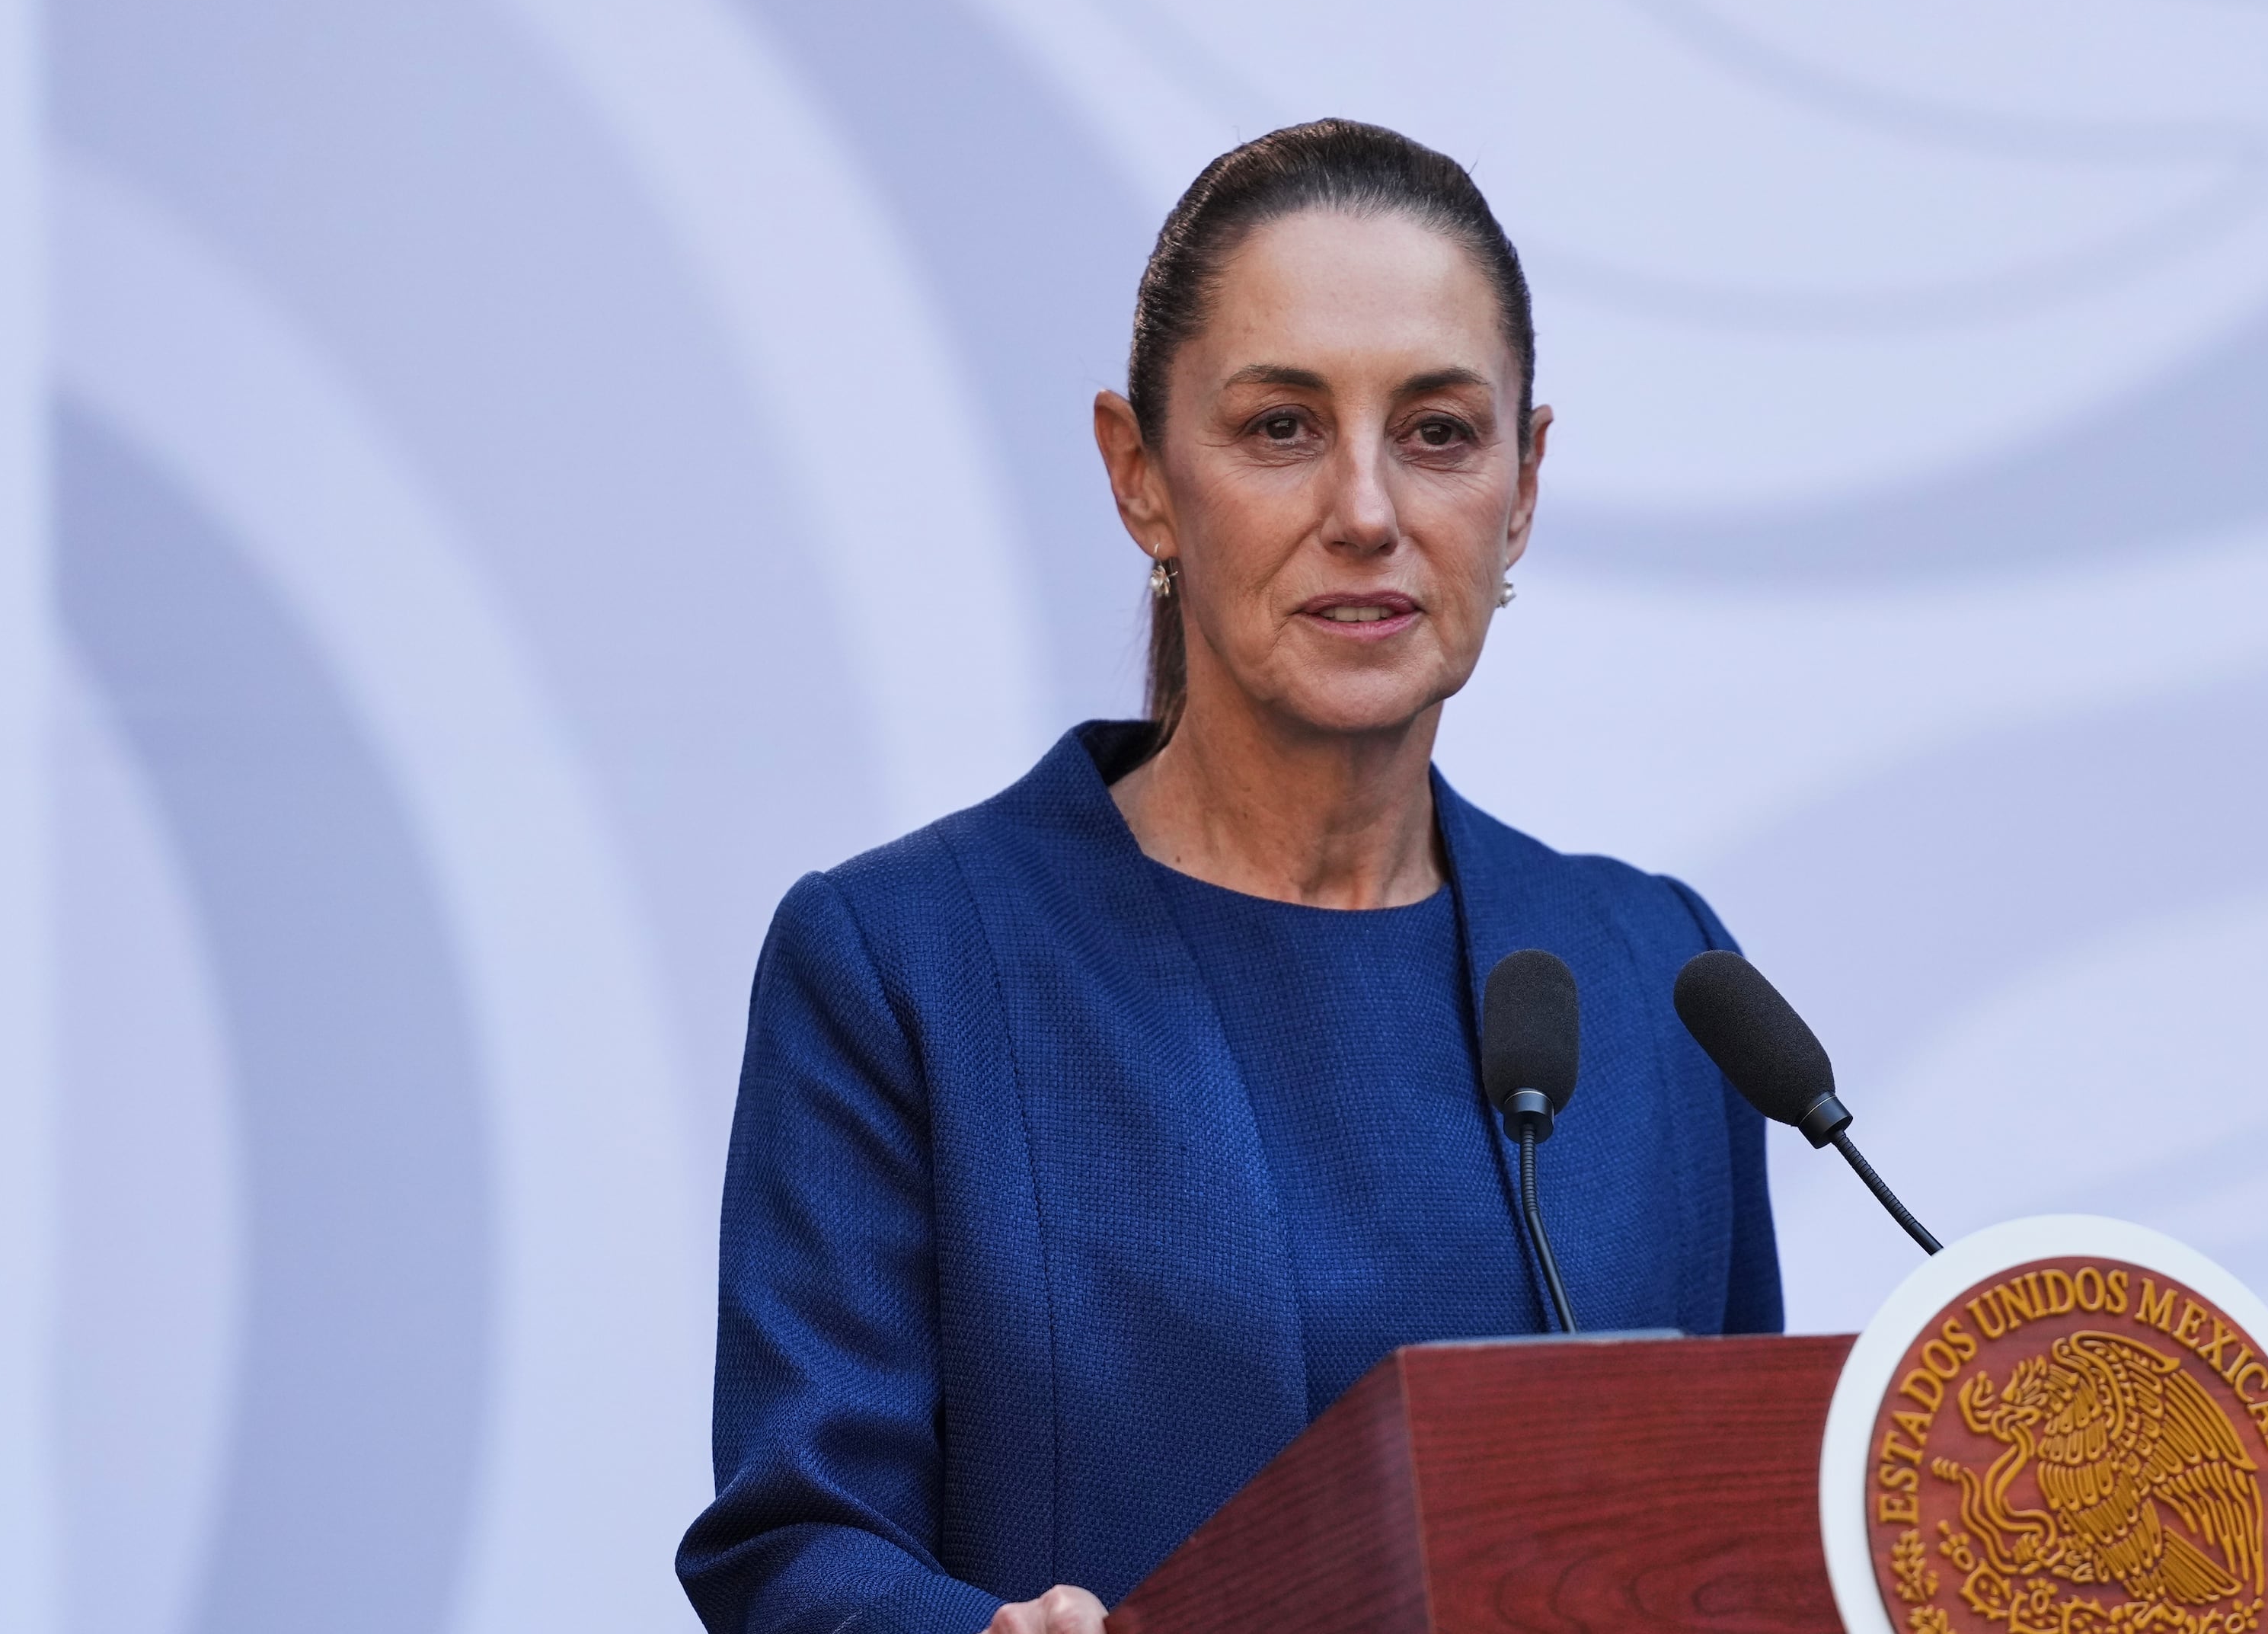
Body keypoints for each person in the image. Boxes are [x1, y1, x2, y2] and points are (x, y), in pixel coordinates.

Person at [676, 119, 1781, 1634]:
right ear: (1141, 478)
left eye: (1440, 432)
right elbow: (797, 1549)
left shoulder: (1661, 980)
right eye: (1280, 428)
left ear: (1522, 489)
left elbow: (1751, 1530)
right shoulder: (900, 967)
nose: (1369, 512)